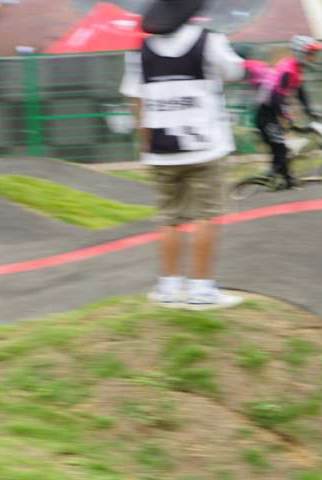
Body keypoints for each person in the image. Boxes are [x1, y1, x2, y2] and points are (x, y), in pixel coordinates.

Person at [121, 0, 247, 309]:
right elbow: (234, 71)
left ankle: (168, 287)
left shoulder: (141, 52)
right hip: (205, 147)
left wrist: (145, 141)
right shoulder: (209, 41)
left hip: (162, 149)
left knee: (169, 218)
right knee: (205, 216)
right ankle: (202, 290)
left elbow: (136, 100)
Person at [253, 34, 322, 190]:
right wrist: (291, 121)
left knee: (281, 155)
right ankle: (285, 186)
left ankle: (276, 181)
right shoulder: (288, 70)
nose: (314, 58)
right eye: (311, 54)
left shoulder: (296, 70)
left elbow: (300, 93)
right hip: (265, 115)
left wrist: (311, 113)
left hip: (273, 113)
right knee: (280, 148)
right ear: (301, 54)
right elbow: (276, 100)